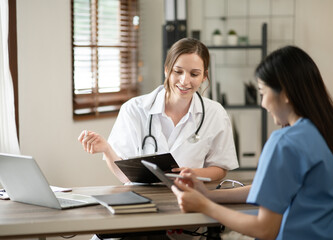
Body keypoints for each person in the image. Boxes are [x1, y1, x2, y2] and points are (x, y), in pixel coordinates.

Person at [171, 46, 333, 240]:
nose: (262, 103)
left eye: (263, 92)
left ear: (285, 93)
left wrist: (204, 206)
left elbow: (265, 230)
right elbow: (270, 189)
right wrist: (209, 196)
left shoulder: (285, 142)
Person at [78, 38, 239, 184]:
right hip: (143, 202)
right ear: (167, 70)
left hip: (190, 198)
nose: (185, 81)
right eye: (178, 71)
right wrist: (106, 149)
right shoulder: (133, 110)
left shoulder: (215, 113)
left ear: (204, 76)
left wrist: (193, 174)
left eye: (194, 74)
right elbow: (125, 177)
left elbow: (220, 168)